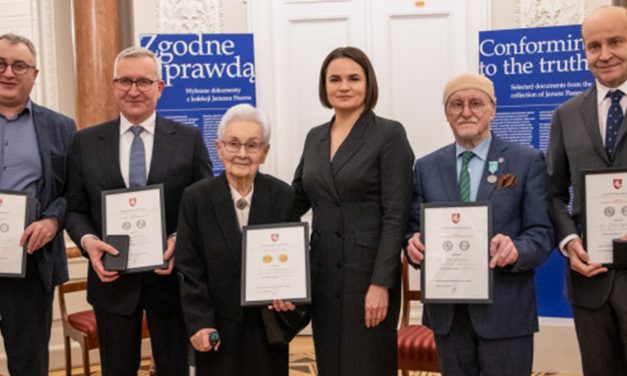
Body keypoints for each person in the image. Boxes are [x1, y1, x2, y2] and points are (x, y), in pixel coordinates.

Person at [65, 46, 212, 375]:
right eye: (125, 81)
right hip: (111, 282)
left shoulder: (187, 139)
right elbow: (74, 209)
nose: (134, 90)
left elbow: (204, 205)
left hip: (171, 281)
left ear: (160, 88)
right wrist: (88, 242)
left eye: (144, 82)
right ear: (114, 85)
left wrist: (179, 238)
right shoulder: (85, 142)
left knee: (175, 368)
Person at [406, 73, 553, 376]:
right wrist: (413, 245)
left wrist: (516, 249)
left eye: (476, 103)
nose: (466, 111)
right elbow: (412, 229)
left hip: (506, 311)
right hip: (448, 315)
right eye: (456, 104)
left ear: (492, 109)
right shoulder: (426, 167)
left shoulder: (526, 161)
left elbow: (541, 233)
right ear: (447, 113)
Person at [292, 46, 414, 375]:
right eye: (335, 79)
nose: (344, 86)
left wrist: (381, 284)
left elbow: (396, 215)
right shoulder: (314, 137)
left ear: (368, 83)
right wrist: (245, 200)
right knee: (331, 363)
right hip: (323, 273)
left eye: (353, 78)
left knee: (367, 364)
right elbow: (296, 199)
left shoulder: (388, 134)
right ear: (324, 85)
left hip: (367, 276)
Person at [176, 103, 305, 375]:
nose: (242, 154)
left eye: (252, 145)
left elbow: (292, 259)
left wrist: (289, 296)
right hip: (216, 330)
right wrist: (200, 323)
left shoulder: (283, 196)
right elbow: (189, 268)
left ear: (265, 151)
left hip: (267, 328)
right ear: (219, 147)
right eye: (233, 144)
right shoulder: (196, 198)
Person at [547, 6, 627, 375]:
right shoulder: (566, 115)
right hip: (589, 278)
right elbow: (552, 192)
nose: (604, 53)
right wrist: (568, 242)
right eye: (593, 46)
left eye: (616, 42)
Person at [0, 33, 75, 376]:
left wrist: (52, 221)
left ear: (35, 74)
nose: (8, 72)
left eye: (19, 65)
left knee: (29, 363)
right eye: (1, 64)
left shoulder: (61, 127)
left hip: (31, 260)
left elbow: (74, 190)